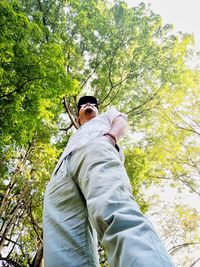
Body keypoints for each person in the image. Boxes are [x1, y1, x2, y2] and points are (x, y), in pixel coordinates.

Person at [43, 96, 175, 267]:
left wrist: (110, 138)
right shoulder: (76, 134)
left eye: (92, 103)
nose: (88, 105)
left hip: (96, 148)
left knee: (113, 210)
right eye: (83, 104)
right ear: (77, 118)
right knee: (60, 243)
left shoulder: (106, 115)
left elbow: (121, 122)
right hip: (62, 170)